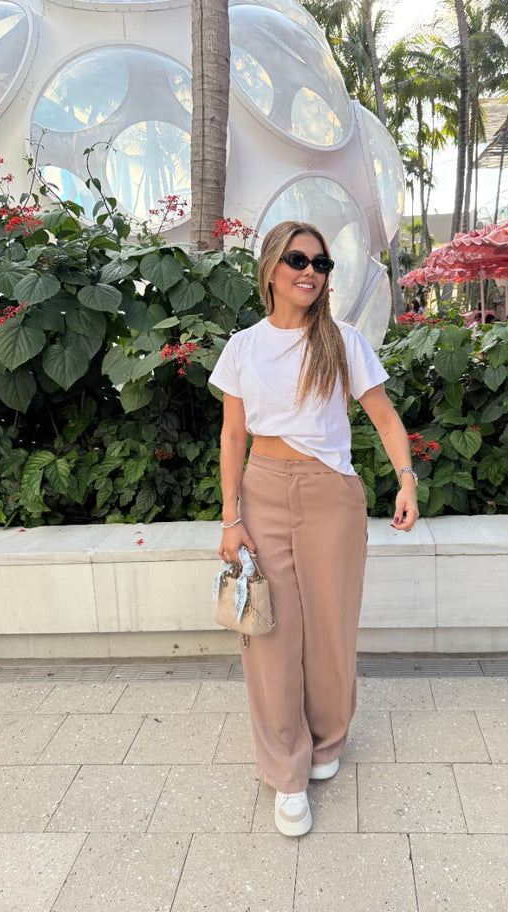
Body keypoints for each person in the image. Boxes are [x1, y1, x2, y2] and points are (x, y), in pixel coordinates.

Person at [209, 220, 419, 838]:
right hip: (264, 490)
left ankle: (327, 739)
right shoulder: (243, 347)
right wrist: (230, 517)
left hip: (332, 496)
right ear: (271, 268)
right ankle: (286, 770)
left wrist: (406, 480)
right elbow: (232, 437)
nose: (310, 272)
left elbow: (385, 418)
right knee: (269, 631)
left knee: (330, 627)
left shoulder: (343, 341)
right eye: (298, 260)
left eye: (321, 264)